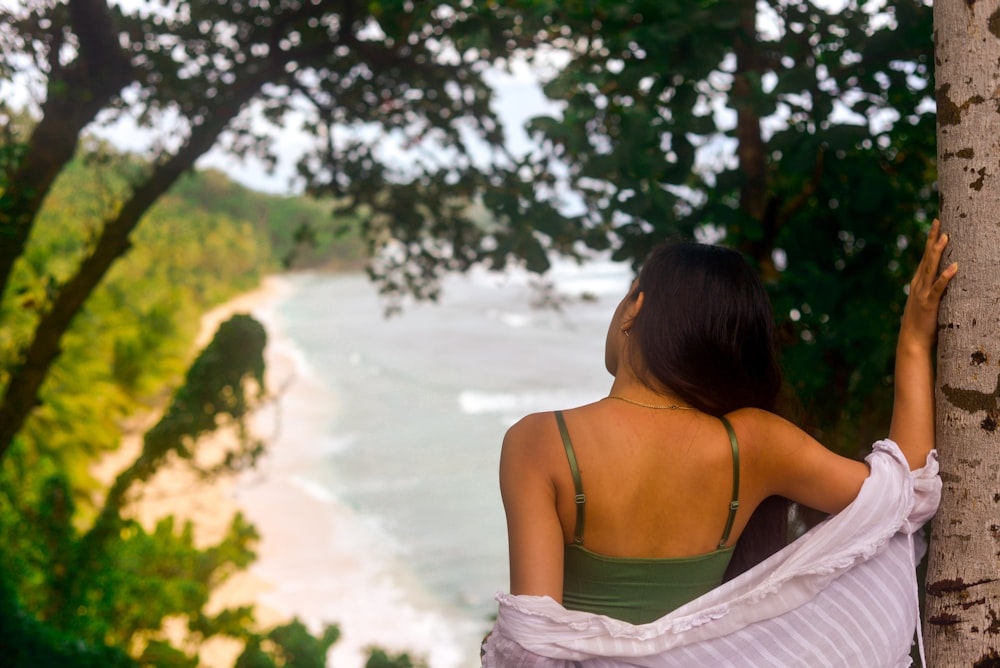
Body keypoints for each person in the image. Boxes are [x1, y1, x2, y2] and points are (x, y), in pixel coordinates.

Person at [486, 221, 955, 664]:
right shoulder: (750, 443)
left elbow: (534, 646)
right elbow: (902, 493)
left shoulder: (540, 442)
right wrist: (913, 341)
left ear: (634, 307)